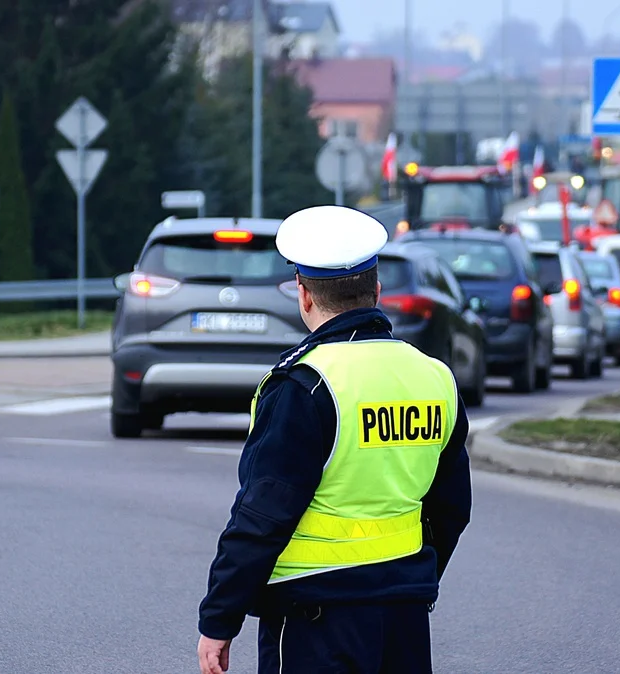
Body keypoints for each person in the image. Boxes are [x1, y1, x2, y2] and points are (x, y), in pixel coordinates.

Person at [196, 206, 473, 674]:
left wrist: (220, 617)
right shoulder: (434, 378)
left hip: (315, 614)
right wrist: (411, 578)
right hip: (402, 613)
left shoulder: (306, 384)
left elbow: (262, 515)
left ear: (303, 295)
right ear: (377, 292)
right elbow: (452, 508)